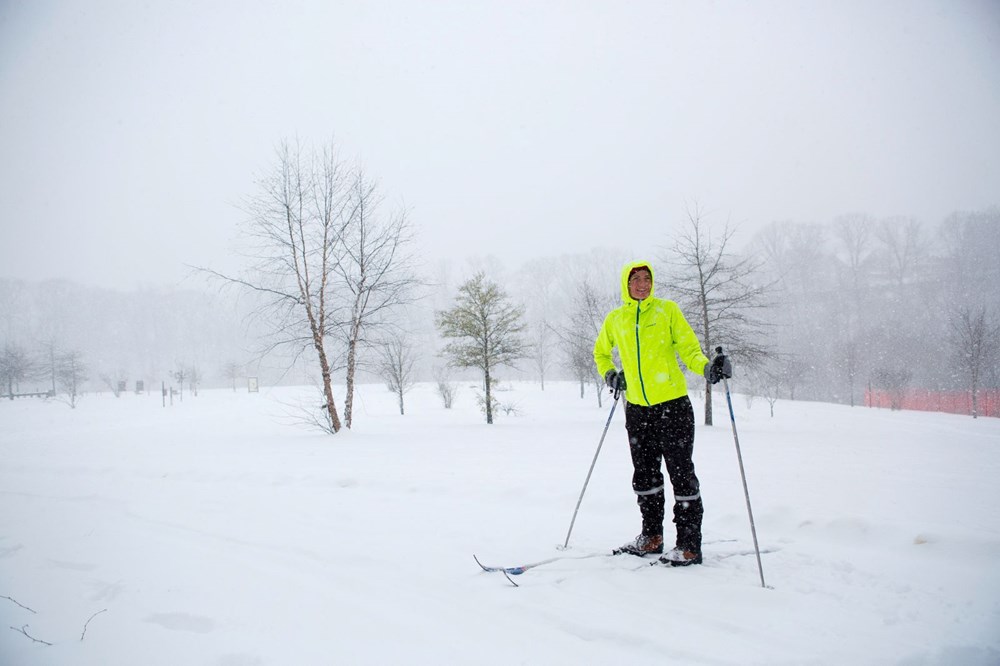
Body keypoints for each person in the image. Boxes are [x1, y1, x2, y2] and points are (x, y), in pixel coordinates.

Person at [593, 261, 732, 566]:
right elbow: (601, 352)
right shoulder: (617, 319)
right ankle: (652, 536)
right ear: (625, 285)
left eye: (646, 279)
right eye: (635, 279)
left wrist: (707, 368)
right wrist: (611, 374)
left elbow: (690, 350)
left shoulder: (667, 311)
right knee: (644, 476)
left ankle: (689, 544)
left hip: (673, 408)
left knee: (681, 474)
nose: (642, 284)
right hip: (638, 410)